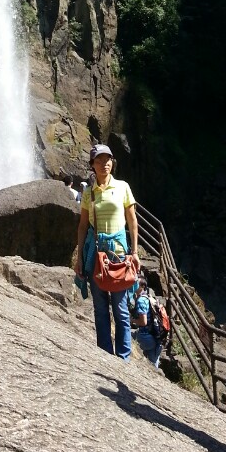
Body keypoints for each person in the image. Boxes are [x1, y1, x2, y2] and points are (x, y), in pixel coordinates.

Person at [74, 144, 140, 360]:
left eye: (108, 159)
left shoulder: (122, 187)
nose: (105, 164)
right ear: (92, 165)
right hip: (96, 254)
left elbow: (132, 221)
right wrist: (79, 257)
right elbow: (83, 225)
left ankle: (123, 356)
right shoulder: (88, 192)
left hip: (119, 254)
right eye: (100, 160)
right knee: (100, 307)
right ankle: (104, 353)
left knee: (120, 308)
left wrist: (135, 252)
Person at [131, 282, 163, 368]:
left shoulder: (141, 301)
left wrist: (131, 320)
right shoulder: (149, 298)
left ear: (142, 286)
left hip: (145, 337)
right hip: (156, 336)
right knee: (154, 365)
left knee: (126, 336)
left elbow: (143, 322)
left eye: (135, 284)